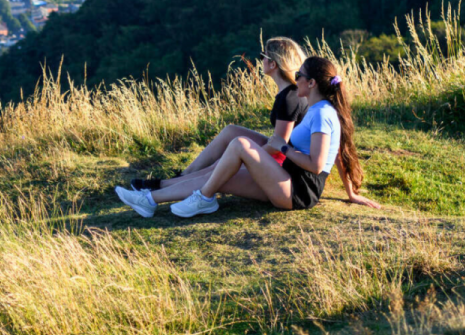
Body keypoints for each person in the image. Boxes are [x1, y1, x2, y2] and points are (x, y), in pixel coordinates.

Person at [116, 55, 381, 218]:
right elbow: (339, 152)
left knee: (240, 144)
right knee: (219, 172)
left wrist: (283, 148)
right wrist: (351, 193)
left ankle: (203, 200)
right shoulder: (319, 110)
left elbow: (316, 163)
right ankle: (149, 200)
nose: (296, 78)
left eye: (299, 75)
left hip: (298, 191)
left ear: (311, 83)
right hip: (286, 179)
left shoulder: (322, 114)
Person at [129, 37, 307, 192]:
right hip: (285, 154)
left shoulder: (289, 98)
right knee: (231, 131)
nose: (260, 60)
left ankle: (164, 186)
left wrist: (246, 156)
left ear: (273, 63)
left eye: (263, 56)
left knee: (222, 162)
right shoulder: (290, 92)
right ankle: (184, 176)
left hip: (285, 163)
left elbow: (278, 146)